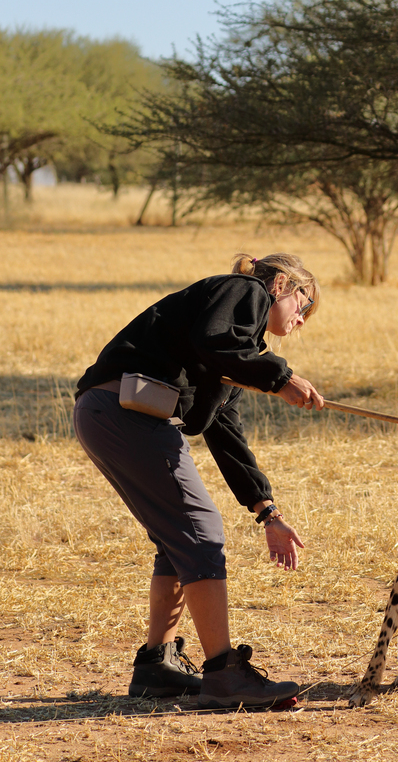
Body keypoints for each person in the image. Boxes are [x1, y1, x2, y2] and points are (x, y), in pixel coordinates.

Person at [73, 252, 324, 711]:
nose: (302, 319)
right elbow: (216, 341)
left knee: (178, 538)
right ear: (282, 285)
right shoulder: (245, 291)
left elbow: (225, 433)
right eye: (303, 305)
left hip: (108, 413)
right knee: (201, 531)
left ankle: (157, 666)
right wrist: (281, 377)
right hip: (124, 413)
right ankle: (225, 675)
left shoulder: (239, 350)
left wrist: (268, 512)